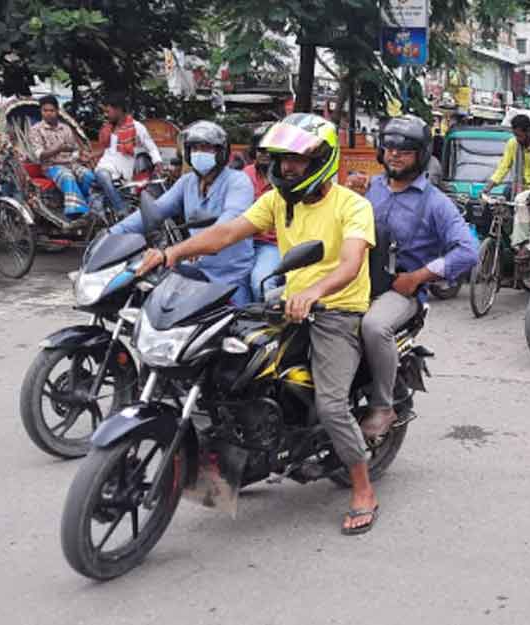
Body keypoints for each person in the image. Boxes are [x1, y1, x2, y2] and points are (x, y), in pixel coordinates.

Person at [137, 113, 382, 535]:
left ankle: (362, 488)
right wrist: (173, 253)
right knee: (231, 371)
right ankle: (248, 456)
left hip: (336, 313)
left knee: (332, 404)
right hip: (287, 305)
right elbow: (228, 232)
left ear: (322, 159)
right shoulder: (277, 200)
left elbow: (351, 262)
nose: (286, 167)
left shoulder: (353, 205)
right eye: (281, 159)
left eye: (297, 160)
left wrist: (315, 292)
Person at [359, 115, 479, 437]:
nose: (395, 154)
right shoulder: (372, 188)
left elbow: (467, 251)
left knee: (374, 326)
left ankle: (383, 406)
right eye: (390, 147)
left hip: (400, 293)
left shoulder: (436, 203)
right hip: (358, 282)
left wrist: (418, 277)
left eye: (405, 149)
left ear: (421, 154)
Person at [110, 120, 255, 305]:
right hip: (196, 268)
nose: (199, 153)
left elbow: (227, 227)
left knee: (237, 328)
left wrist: (186, 249)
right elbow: (156, 210)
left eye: (206, 148)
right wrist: (111, 234)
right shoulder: (187, 182)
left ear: (221, 152)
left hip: (229, 276)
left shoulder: (238, 182)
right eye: (194, 148)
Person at [481, 114, 530, 254]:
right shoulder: (512, 143)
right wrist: (488, 186)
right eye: (515, 135)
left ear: (528, 131)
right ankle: (513, 240)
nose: (518, 139)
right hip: (520, 188)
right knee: (500, 206)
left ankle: (521, 243)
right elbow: (503, 166)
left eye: (520, 135)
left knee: (521, 200)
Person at [94, 93, 163, 215]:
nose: (105, 115)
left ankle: (123, 214)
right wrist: (91, 155)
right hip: (106, 167)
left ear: (118, 109)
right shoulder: (107, 128)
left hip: (124, 172)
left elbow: (151, 147)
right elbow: (109, 150)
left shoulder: (137, 127)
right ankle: (121, 210)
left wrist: (158, 162)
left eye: (108, 111)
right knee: (101, 175)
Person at [27, 95, 94, 219]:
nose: (48, 114)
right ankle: (76, 213)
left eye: (51, 111)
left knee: (89, 176)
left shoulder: (66, 128)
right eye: (45, 111)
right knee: (67, 176)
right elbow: (39, 155)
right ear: (41, 112)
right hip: (51, 167)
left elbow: (74, 149)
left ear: (57, 111)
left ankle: (88, 205)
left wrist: (79, 156)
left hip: (71, 163)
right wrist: (58, 149)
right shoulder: (36, 130)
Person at [244, 123, 282, 301]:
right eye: (261, 149)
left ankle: (267, 325)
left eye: (270, 149)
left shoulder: (287, 178)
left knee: (261, 282)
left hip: (272, 244)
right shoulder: (244, 175)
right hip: (242, 242)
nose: (265, 153)